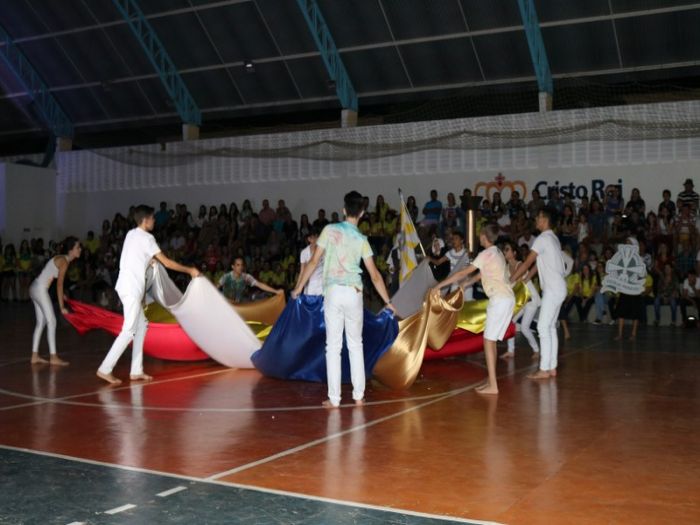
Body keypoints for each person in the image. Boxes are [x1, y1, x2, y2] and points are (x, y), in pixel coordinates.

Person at [292, 191, 396, 408]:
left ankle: (334, 398)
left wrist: (298, 288)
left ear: (343, 210)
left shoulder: (329, 230)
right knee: (356, 345)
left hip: (333, 292)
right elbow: (375, 275)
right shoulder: (362, 240)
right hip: (354, 292)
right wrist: (388, 301)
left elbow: (313, 262)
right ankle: (359, 396)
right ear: (363, 213)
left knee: (333, 346)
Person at [96, 205, 201, 385]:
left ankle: (136, 371)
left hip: (127, 286)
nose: (154, 221)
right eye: (152, 218)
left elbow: (135, 258)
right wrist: (190, 270)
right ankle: (105, 369)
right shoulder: (148, 238)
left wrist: (148, 261)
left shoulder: (130, 234)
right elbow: (167, 263)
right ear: (145, 220)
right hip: (131, 288)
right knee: (129, 331)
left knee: (142, 325)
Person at [433, 224, 514, 395]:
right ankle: (491, 381)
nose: (479, 237)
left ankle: (493, 385)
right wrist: (467, 284)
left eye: (480, 234)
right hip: (506, 299)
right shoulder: (496, 252)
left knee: (488, 341)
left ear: (484, 236)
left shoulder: (486, 254)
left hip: (499, 300)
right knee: (490, 341)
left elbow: (463, 272)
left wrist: (439, 285)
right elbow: (482, 273)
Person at [510, 207, 568, 380]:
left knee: (543, 327)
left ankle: (544, 369)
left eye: (538, 217)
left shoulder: (542, 238)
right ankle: (551, 367)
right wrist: (526, 279)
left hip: (553, 288)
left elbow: (527, 262)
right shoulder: (553, 238)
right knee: (550, 327)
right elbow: (537, 264)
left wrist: (511, 279)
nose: (535, 220)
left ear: (544, 219)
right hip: (559, 287)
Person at [29, 237, 82, 366]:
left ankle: (34, 356)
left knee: (41, 322)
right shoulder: (64, 261)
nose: (80, 249)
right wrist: (62, 307)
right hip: (40, 289)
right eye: (77, 247)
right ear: (71, 250)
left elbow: (53, 279)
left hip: (35, 287)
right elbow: (59, 284)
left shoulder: (61, 258)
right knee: (52, 321)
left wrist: (62, 295)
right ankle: (53, 357)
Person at [501, 240, 540, 359]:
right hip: (521, 301)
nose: (504, 252)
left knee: (524, 327)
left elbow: (517, 283)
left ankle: (536, 350)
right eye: (504, 250)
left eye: (507, 249)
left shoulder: (520, 265)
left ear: (514, 253)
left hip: (530, 299)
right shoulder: (506, 268)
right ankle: (511, 351)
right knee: (510, 322)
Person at [218, 257, 284, 302]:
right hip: (226, 304)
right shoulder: (226, 277)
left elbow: (260, 284)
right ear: (233, 266)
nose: (240, 267)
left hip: (239, 303)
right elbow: (216, 287)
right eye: (238, 265)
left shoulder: (246, 277)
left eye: (241, 265)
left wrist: (276, 291)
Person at [296, 228, 323, 296]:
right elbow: (302, 272)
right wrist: (297, 288)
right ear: (309, 239)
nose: (317, 239)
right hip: (309, 284)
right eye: (314, 237)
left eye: (318, 237)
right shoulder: (304, 252)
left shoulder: (324, 250)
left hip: (322, 284)